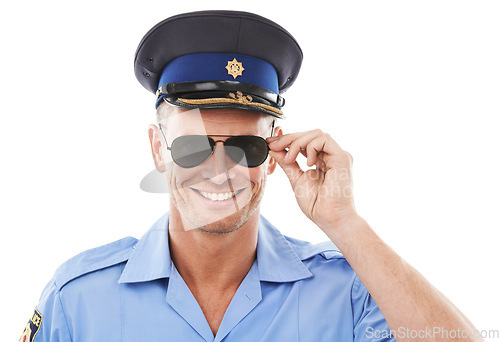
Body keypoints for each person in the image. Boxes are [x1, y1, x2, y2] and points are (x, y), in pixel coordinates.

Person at [20, 10, 481, 342]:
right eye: (194, 145)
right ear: (159, 150)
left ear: (274, 150)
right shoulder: (78, 299)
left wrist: (345, 223)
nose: (220, 170)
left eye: (246, 146)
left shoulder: (347, 292)